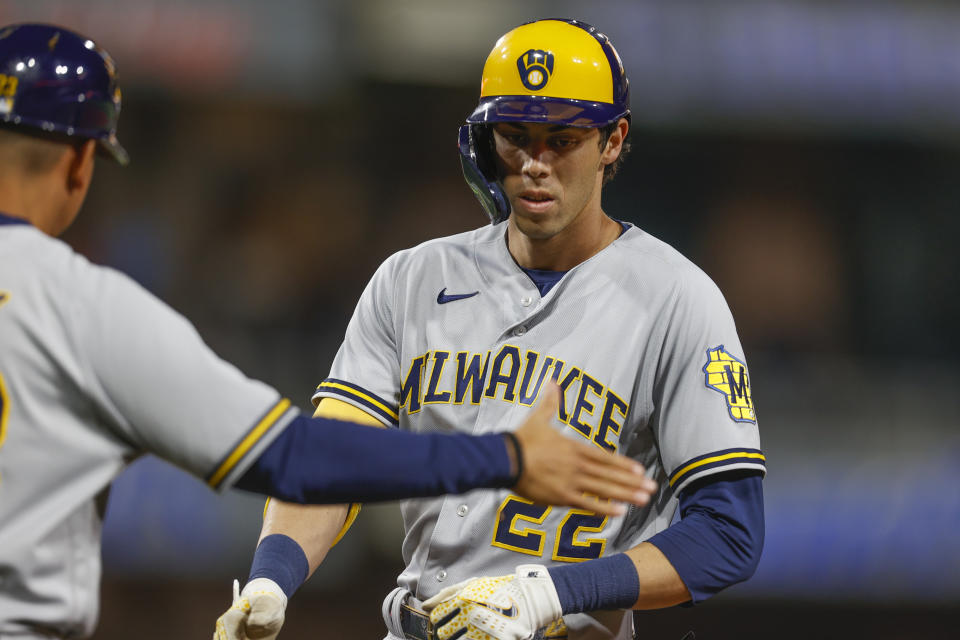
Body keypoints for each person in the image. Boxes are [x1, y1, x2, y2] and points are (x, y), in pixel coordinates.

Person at [0, 22, 657, 640]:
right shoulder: (82, 306)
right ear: (81, 162)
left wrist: (271, 577)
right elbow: (296, 456)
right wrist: (505, 458)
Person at [216, 18, 765, 640]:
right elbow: (333, 461)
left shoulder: (678, 298)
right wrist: (271, 577)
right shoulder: (412, 278)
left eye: (562, 139)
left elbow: (729, 531)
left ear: (613, 141)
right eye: (515, 136)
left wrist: (551, 593)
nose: (535, 164)